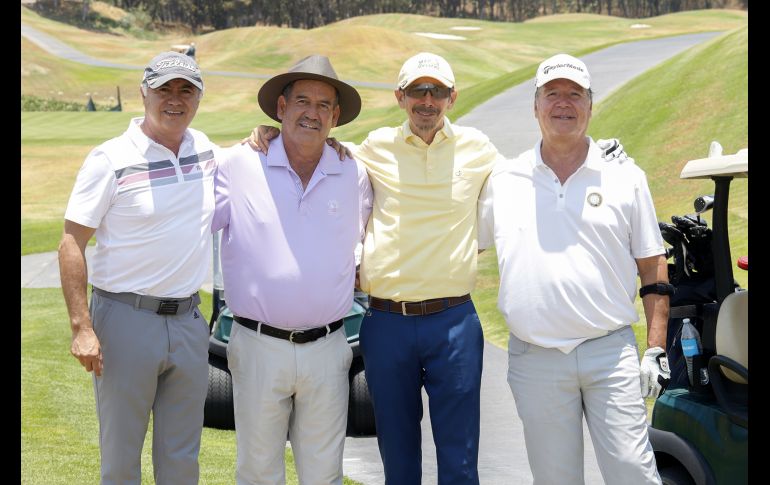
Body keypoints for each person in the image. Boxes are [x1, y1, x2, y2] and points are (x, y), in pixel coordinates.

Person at [251, 51, 631, 485]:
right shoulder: (372, 148)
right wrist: (269, 134)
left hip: (453, 323)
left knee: (460, 457)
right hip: (387, 322)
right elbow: (314, 147)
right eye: (417, 91)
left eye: (436, 91)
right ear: (400, 97)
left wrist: (602, 152)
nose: (426, 101)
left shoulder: (479, 149)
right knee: (398, 454)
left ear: (452, 97)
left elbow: (541, 169)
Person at [477, 53, 671, 484]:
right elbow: (462, 246)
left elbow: (653, 263)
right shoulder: (504, 179)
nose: (563, 103)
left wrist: (655, 348)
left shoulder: (624, 175)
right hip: (535, 357)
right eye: (552, 94)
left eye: (574, 94)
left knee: (632, 472)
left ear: (590, 104)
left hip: (609, 353)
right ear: (535, 106)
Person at [212, 54, 372, 485]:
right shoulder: (238, 164)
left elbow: (365, 242)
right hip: (258, 344)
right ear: (281, 109)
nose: (312, 113)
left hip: (328, 346)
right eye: (302, 100)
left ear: (336, 117)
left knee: (324, 473)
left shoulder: (353, 170)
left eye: (324, 105)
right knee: (259, 471)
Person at [59, 51, 216, 484]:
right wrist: (81, 327)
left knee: (182, 456)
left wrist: (264, 134)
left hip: (187, 320)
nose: (175, 99)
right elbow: (72, 242)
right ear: (143, 92)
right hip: (125, 320)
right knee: (122, 457)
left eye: (186, 89)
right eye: (164, 88)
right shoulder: (110, 159)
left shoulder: (205, 150)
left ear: (199, 97)